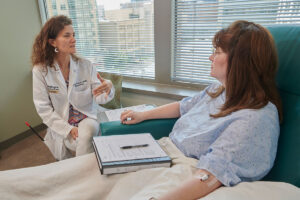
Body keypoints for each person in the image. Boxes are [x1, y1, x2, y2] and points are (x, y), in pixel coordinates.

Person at [120, 20, 282, 199]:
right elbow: (182, 106)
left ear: (239, 62)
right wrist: (143, 115)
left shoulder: (255, 117)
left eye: (217, 52)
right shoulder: (216, 90)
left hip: (188, 170)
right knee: (93, 171)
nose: (210, 58)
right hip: (164, 151)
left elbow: (210, 175)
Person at [31, 15, 115, 160]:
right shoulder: (41, 70)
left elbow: (100, 98)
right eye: (67, 35)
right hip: (61, 121)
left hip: (86, 117)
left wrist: (107, 88)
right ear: (52, 42)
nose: (73, 39)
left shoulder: (85, 65)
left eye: (74, 35)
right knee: (72, 155)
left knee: (88, 131)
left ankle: (79, 171)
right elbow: (43, 109)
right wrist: (67, 129)